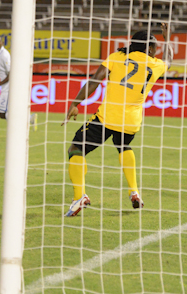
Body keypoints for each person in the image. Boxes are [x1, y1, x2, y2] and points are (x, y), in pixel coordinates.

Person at [62, 24, 173, 217]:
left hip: (107, 118)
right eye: (155, 47)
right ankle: (134, 191)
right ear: (148, 48)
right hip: (131, 122)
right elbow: (169, 61)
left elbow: (95, 81)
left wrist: (75, 103)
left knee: (76, 148)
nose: (156, 50)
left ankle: (79, 197)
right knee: (123, 145)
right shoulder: (155, 65)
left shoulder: (117, 57)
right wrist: (168, 38)